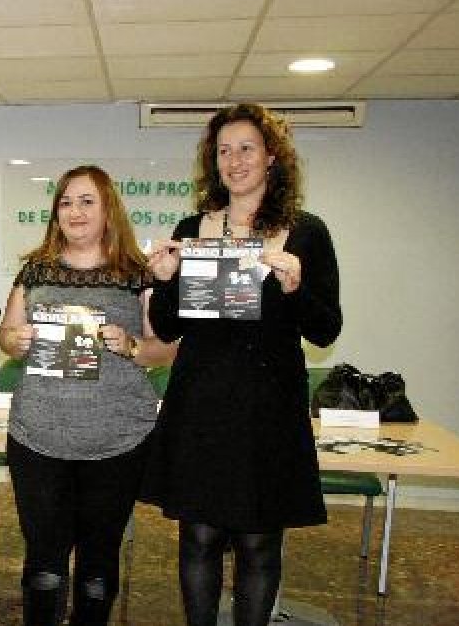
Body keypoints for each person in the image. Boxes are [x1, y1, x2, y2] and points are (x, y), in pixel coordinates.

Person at [146, 103, 342, 626]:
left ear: (272, 157)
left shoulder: (306, 233)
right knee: (199, 536)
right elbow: (168, 328)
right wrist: (165, 279)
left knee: (258, 541)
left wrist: (296, 288)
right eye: (223, 150)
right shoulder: (194, 227)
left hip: (267, 406)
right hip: (201, 402)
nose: (234, 160)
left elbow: (326, 330)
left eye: (246, 148)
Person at [0, 166, 176, 626]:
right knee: (43, 565)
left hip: (116, 444)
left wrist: (132, 346)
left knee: (98, 566)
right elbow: (6, 334)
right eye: (65, 203)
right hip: (38, 440)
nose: (74, 212)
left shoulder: (138, 274)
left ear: (108, 208)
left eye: (86, 201)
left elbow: (166, 349)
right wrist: (14, 341)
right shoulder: (35, 269)